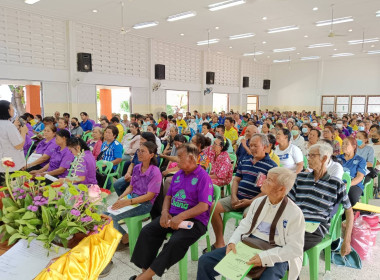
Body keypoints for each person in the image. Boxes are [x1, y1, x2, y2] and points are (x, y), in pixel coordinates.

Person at [198, 167, 305, 280]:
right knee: (205, 261)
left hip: (277, 252)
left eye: (269, 180)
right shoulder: (258, 202)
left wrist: (264, 257)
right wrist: (232, 242)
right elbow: (245, 225)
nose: (263, 181)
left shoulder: (294, 214)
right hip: (251, 244)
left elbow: (294, 249)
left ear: (281, 189)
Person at [129, 143, 213, 280]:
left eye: (180, 157)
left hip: (195, 221)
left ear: (192, 159)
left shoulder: (203, 177)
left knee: (175, 242)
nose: (176, 160)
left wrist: (181, 216)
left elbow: (203, 206)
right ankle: (146, 273)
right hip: (172, 215)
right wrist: (164, 212)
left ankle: (142, 278)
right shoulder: (178, 174)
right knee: (147, 232)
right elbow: (168, 196)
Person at [208, 134, 277, 250]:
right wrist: (234, 196)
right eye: (250, 146)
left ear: (265, 147)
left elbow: (268, 191)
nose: (252, 148)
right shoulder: (245, 160)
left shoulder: (271, 166)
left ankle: (240, 247)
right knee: (213, 207)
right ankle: (219, 242)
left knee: (247, 215)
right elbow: (236, 180)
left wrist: (250, 202)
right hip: (237, 197)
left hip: (255, 202)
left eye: (256, 146)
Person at [289, 142, 354, 255]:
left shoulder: (336, 184)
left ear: (324, 158)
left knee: (290, 246)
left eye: (312, 156)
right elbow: (288, 202)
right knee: (275, 239)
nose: (308, 159)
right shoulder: (300, 178)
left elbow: (349, 211)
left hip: (315, 227)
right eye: (308, 155)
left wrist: (347, 240)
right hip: (295, 222)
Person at [104, 141, 162, 252]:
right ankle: (125, 237)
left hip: (145, 204)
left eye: (143, 151)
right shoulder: (137, 168)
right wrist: (122, 197)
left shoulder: (155, 172)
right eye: (138, 151)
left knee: (112, 218)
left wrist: (128, 202)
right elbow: (131, 187)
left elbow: (149, 196)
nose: (139, 153)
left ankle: (120, 241)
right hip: (132, 199)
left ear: (151, 155)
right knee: (104, 215)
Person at [0, 101, 29, 181]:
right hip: (10, 164)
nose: (13, 110)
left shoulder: (7, 125)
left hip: (2, 162)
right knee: (12, 189)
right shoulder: (8, 125)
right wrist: (23, 132)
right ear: (7, 110)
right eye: (12, 108)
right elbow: (18, 146)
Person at [337, 137, 367, 206]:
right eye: (343, 144)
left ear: (354, 146)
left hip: (353, 185)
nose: (343, 146)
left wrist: (347, 185)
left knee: (351, 197)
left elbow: (360, 176)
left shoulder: (360, 160)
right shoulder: (337, 158)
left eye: (346, 144)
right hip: (338, 183)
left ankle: (347, 214)